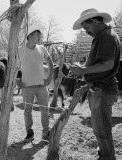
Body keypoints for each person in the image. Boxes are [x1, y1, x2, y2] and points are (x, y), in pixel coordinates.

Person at [71, 8, 120, 160]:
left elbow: (107, 65)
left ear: (95, 21)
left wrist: (83, 70)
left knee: (102, 130)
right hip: (100, 88)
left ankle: (107, 157)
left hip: (102, 91)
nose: (86, 31)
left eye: (86, 28)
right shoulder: (104, 35)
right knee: (99, 128)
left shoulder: (105, 37)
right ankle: (104, 155)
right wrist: (85, 74)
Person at [17, 25, 54, 143]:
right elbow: (14, 66)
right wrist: (17, 79)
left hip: (42, 85)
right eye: (38, 35)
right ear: (30, 36)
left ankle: (45, 133)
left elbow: (50, 62)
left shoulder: (42, 49)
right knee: (28, 110)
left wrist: (49, 77)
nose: (40, 37)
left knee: (45, 110)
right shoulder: (20, 49)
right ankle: (30, 132)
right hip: (27, 86)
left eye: (40, 35)